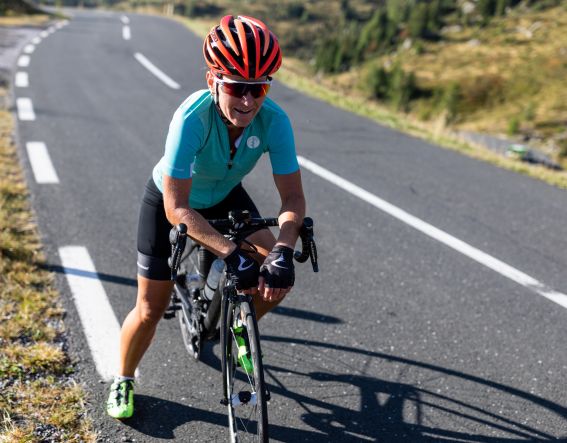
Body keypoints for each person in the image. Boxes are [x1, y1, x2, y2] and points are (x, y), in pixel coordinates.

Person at [106, 15, 306, 419]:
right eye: (237, 87)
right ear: (213, 79)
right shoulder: (190, 118)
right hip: (172, 201)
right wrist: (231, 253)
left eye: (259, 87)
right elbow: (177, 207)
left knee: (274, 274)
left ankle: (237, 327)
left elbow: (293, 196)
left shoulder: (275, 121)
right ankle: (123, 378)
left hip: (226, 196)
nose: (248, 101)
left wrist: (283, 248)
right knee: (149, 307)